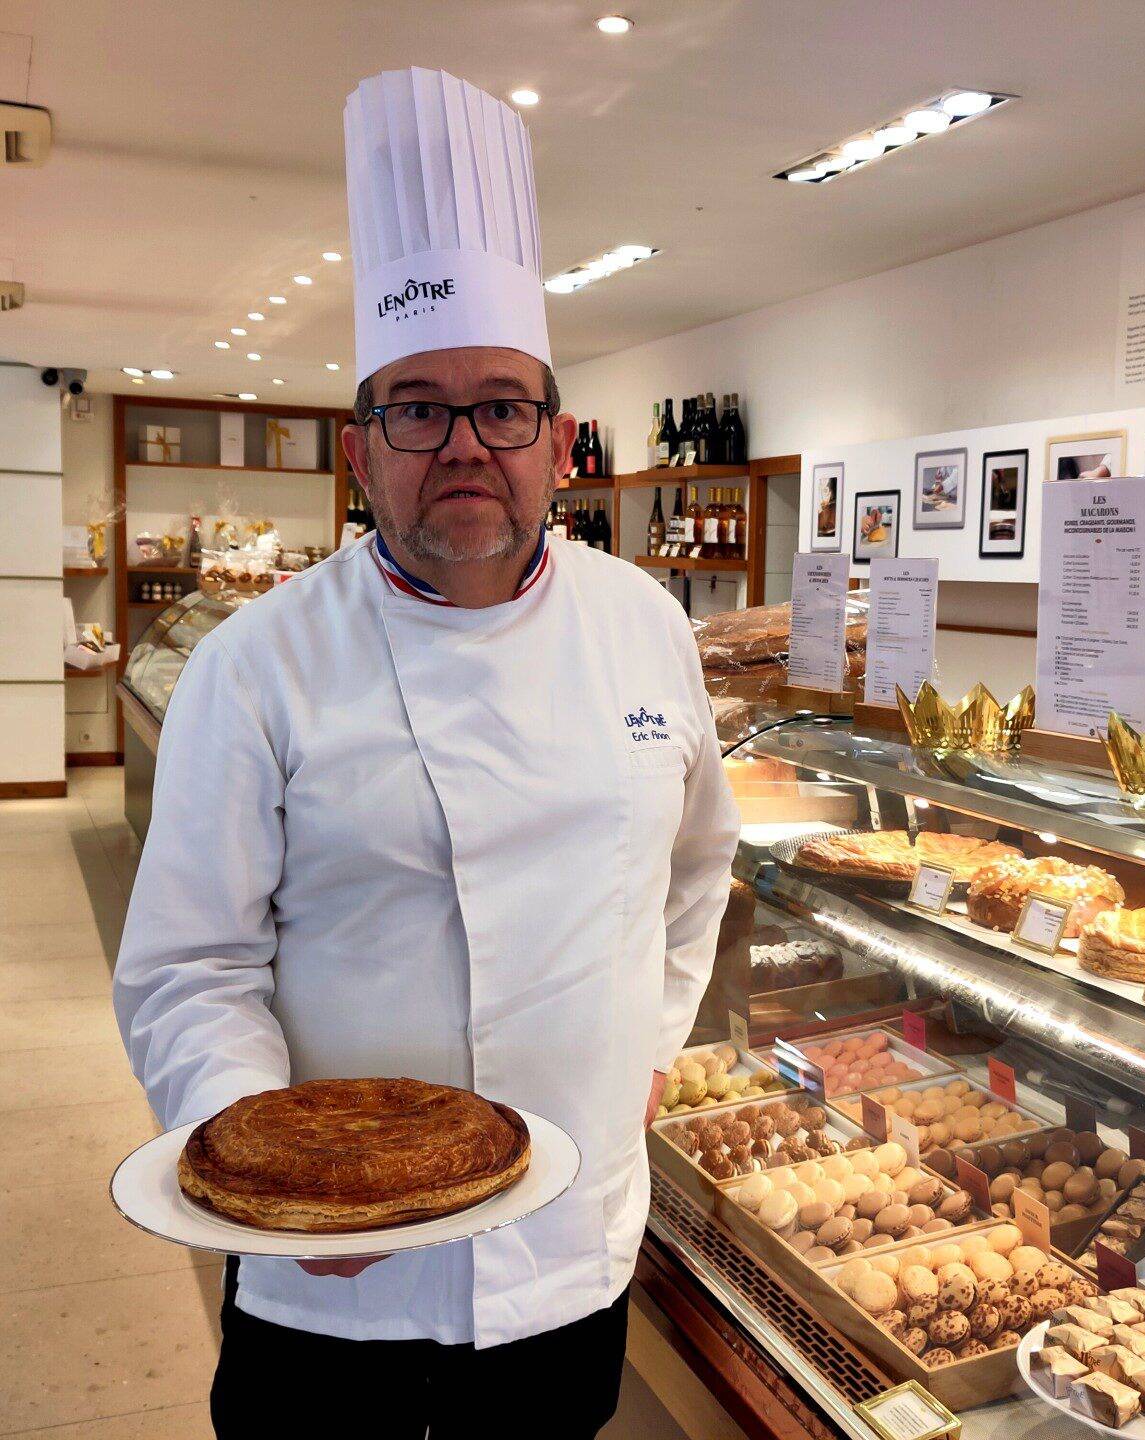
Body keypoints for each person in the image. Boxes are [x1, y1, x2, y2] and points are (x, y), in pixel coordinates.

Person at [113, 67, 739, 1436]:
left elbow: (699, 866)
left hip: (572, 1255)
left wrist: (652, 1040)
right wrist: (251, 1148)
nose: (465, 444)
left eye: (502, 406)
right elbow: (187, 964)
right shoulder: (256, 664)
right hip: (329, 1280)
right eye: (419, 407)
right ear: (362, 448)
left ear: (558, 441)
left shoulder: (646, 627)